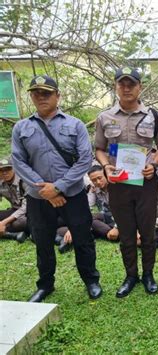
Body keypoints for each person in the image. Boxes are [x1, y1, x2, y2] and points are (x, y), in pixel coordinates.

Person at [11, 74, 101, 302]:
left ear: (57, 95)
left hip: (73, 195)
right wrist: (46, 191)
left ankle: (91, 280)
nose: (41, 97)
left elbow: (84, 159)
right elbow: (18, 162)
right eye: (36, 93)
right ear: (31, 96)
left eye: (47, 93)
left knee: (83, 239)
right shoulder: (21, 127)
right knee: (42, 242)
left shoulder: (75, 125)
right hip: (38, 198)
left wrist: (58, 187)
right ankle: (45, 285)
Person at [95, 68, 158, 298]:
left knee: (147, 233)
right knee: (126, 234)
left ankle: (148, 274)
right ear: (116, 87)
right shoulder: (104, 117)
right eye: (122, 84)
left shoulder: (153, 116)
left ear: (140, 87)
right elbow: (99, 149)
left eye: (131, 84)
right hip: (118, 184)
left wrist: (153, 165)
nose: (126, 88)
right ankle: (130, 275)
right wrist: (106, 166)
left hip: (146, 183)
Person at [0, 157, 30, 243]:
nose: (5, 173)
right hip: (15, 210)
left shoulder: (24, 180)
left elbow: (26, 207)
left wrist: (3, 222)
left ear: (14, 169)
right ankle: (14, 234)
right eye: (1, 170)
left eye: (8, 169)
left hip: (30, 212)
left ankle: (9, 231)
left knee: (18, 223)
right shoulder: (1, 182)